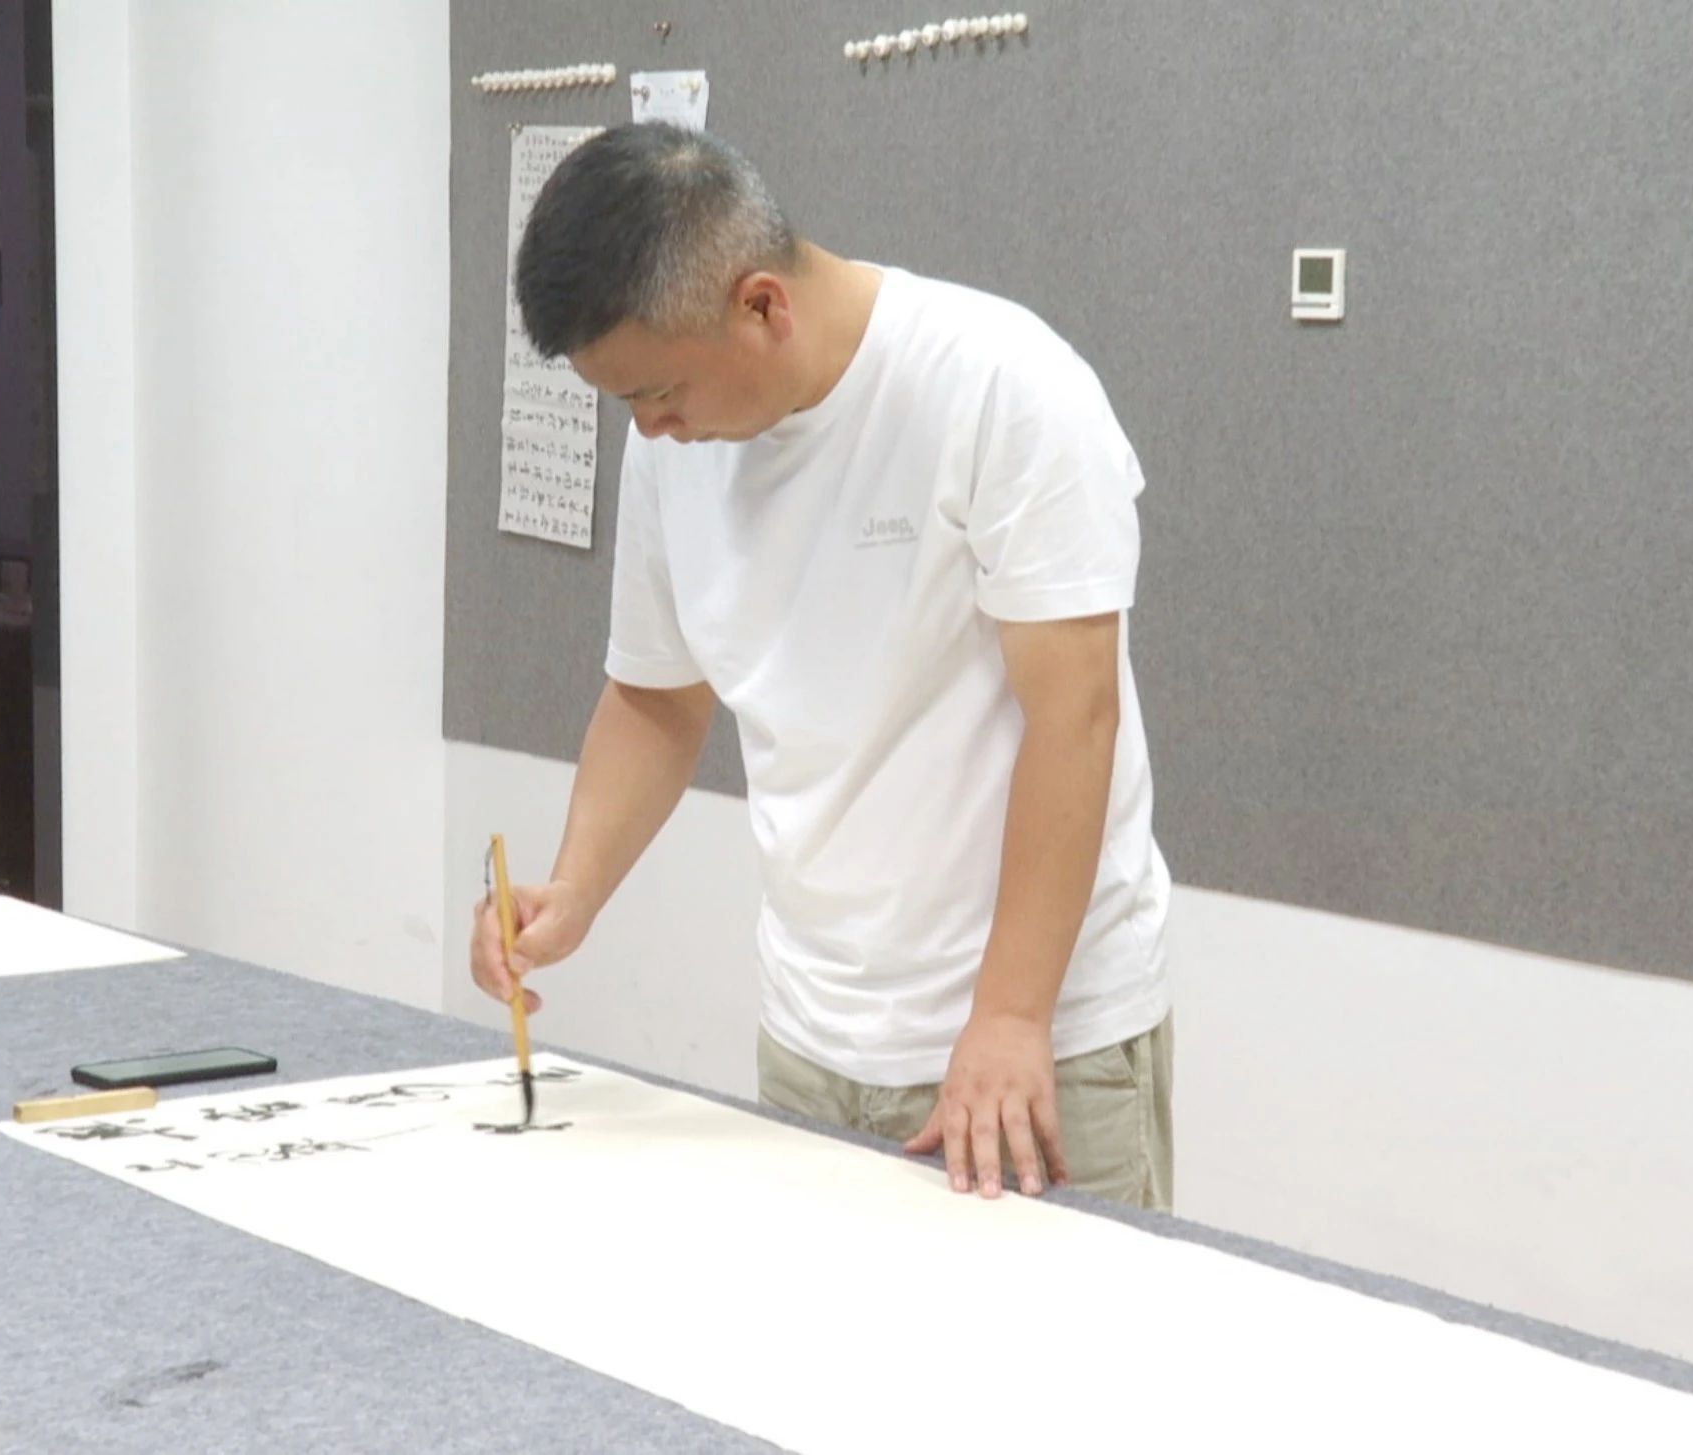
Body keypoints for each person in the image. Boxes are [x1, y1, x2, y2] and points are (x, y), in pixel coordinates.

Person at [470, 123, 1174, 1209]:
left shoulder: (1001, 386)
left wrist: (1009, 1015)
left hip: (1036, 1041)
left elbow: (1073, 717)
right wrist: (575, 887)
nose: (649, 430)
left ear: (761, 306)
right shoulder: (675, 446)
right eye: (625, 405)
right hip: (812, 1037)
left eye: (659, 393)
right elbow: (656, 697)